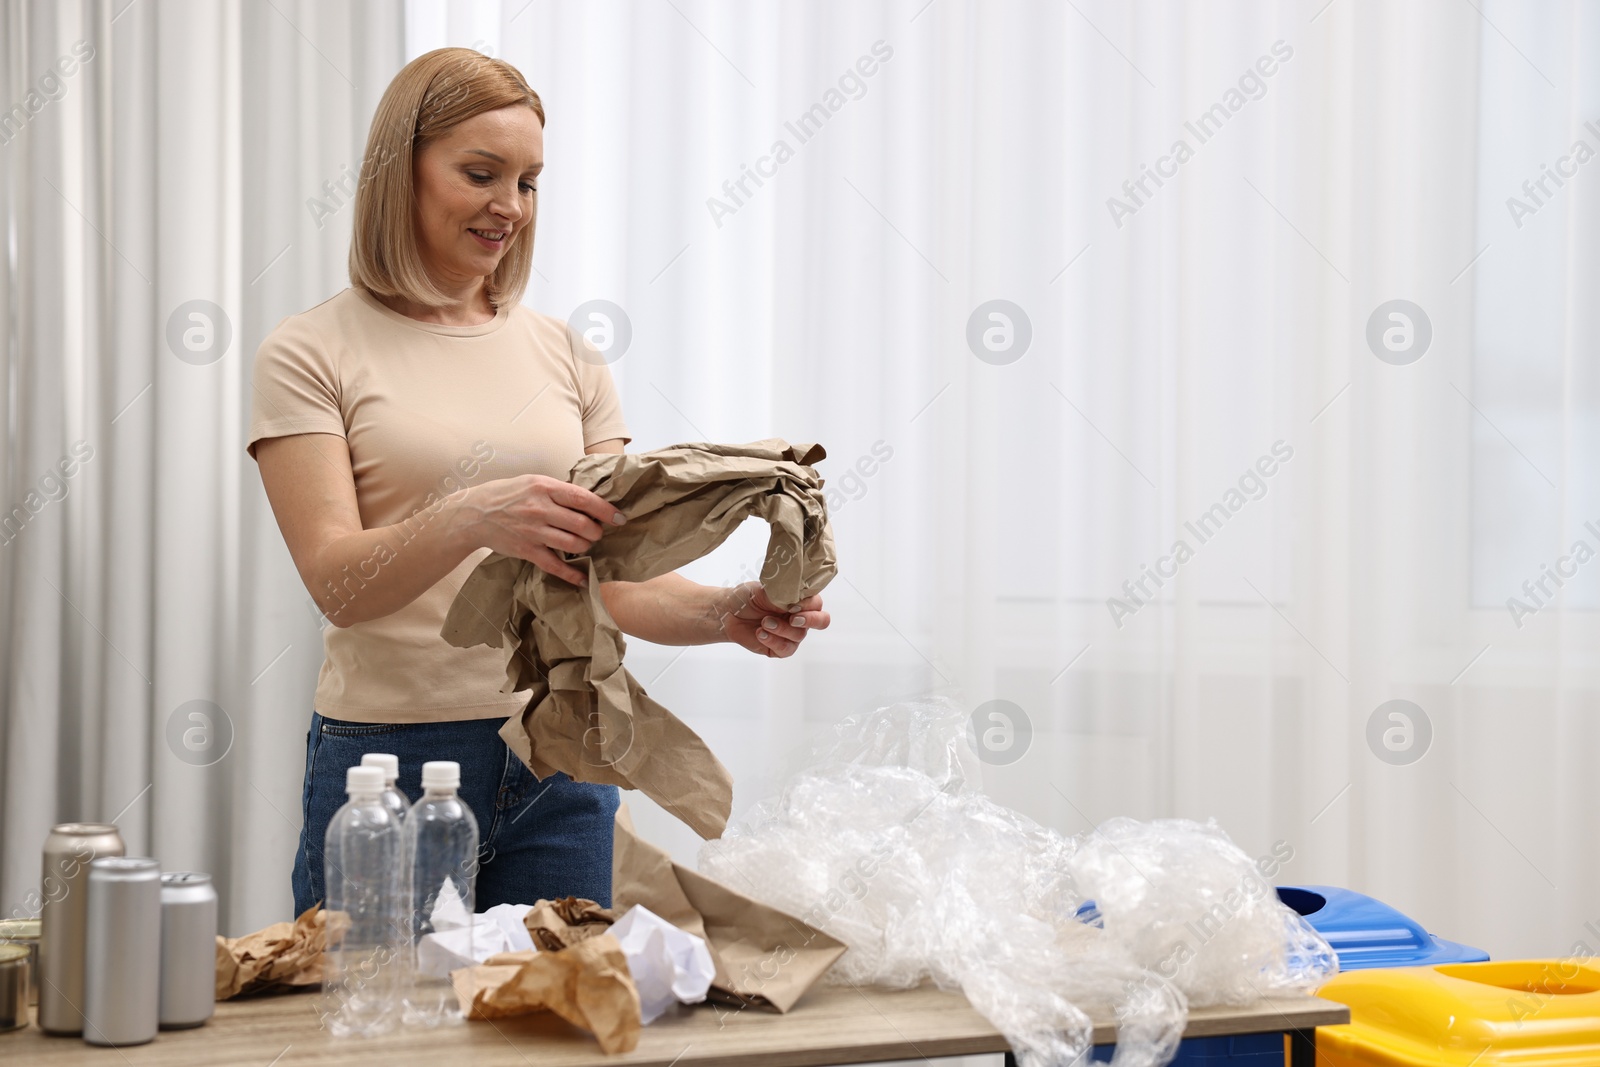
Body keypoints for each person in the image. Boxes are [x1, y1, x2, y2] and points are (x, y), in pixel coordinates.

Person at [246, 48, 829, 916]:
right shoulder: (309, 351)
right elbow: (338, 582)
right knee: (385, 1043)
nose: (509, 206)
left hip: (562, 754)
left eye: (527, 181)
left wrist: (726, 612)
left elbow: (612, 583)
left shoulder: (567, 353)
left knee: (555, 1032)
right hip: (389, 768)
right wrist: (474, 514)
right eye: (481, 173)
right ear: (396, 171)